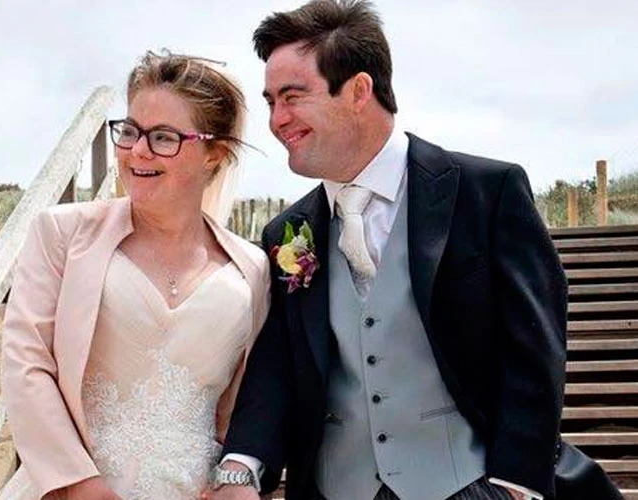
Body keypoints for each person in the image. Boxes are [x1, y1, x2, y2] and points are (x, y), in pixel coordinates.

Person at [205, 1, 621, 500]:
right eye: (271, 102)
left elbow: (534, 348)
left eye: (292, 97)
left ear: (359, 91)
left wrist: (514, 486)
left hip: (470, 485)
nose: (277, 120)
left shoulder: (487, 192)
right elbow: (276, 370)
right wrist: (242, 466)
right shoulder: (288, 233)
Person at [0, 51, 269, 500]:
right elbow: (26, 364)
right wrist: (80, 484)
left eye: (163, 137)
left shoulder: (251, 270)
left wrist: (235, 475)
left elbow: (248, 403)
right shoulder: (61, 234)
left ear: (215, 153)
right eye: (129, 131)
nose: (137, 150)